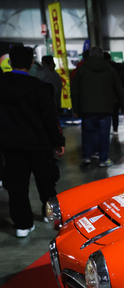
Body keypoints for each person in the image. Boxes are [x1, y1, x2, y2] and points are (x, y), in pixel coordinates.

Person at [0, 45, 65, 237]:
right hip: (39, 144)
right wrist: (58, 141)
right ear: (30, 63)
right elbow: (49, 119)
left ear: (10, 62)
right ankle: (48, 215)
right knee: (46, 181)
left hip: (10, 145)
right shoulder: (40, 88)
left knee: (16, 186)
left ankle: (22, 225)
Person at [71, 46, 124, 167]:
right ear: (102, 56)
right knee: (104, 134)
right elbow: (120, 90)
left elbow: (75, 92)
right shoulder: (110, 70)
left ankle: (87, 157)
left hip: (86, 109)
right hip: (106, 109)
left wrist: (75, 108)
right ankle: (103, 159)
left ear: (90, 55)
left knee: (87, 133)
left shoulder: (82, 70)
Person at [109, 54, 124, 138]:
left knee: (114, 114)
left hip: (114, 96)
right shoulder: (122, 69)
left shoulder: (109, 70)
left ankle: (115, 130)